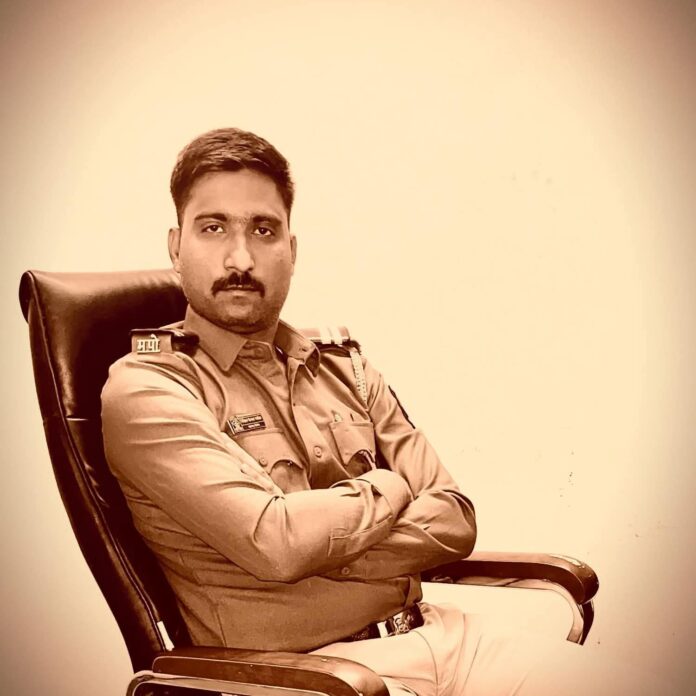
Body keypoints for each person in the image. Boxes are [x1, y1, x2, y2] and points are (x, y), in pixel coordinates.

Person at [101, 128, 661, 695]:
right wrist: (390, 487)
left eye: (263, 230)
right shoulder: (148, 389)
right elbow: (276, 543)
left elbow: (454, 517)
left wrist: (323, 550)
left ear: (292, 250)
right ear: (176, 247)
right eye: (213, 227)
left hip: (440, 636)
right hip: (312, 678)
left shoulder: (344, 367)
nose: (240, 257)